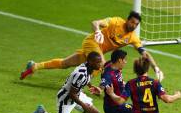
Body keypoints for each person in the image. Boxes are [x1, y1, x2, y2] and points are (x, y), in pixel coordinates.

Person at [20, 11, 164, 81]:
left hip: (98, 50)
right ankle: (79, 85)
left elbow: (144, 54)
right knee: (100, 64)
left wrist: (156, 67)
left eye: (136, 24)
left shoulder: (132, 38)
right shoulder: (115, 22)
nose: (134, 25)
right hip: (92, 42)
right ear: (127, 20)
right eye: (132, 22)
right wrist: (97, 32)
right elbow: (95, 22)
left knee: (65, 63)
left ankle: (34, 66)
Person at [29, 51, 102, 113]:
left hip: (77, 96)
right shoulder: (80, 74)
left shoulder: (88, 68)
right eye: (98, 62)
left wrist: (91, 86)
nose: (100, 64)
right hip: (66, 99)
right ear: (90, 62)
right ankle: (42, 112)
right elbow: (72, 94)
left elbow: (83, 81)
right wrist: (84, 106)